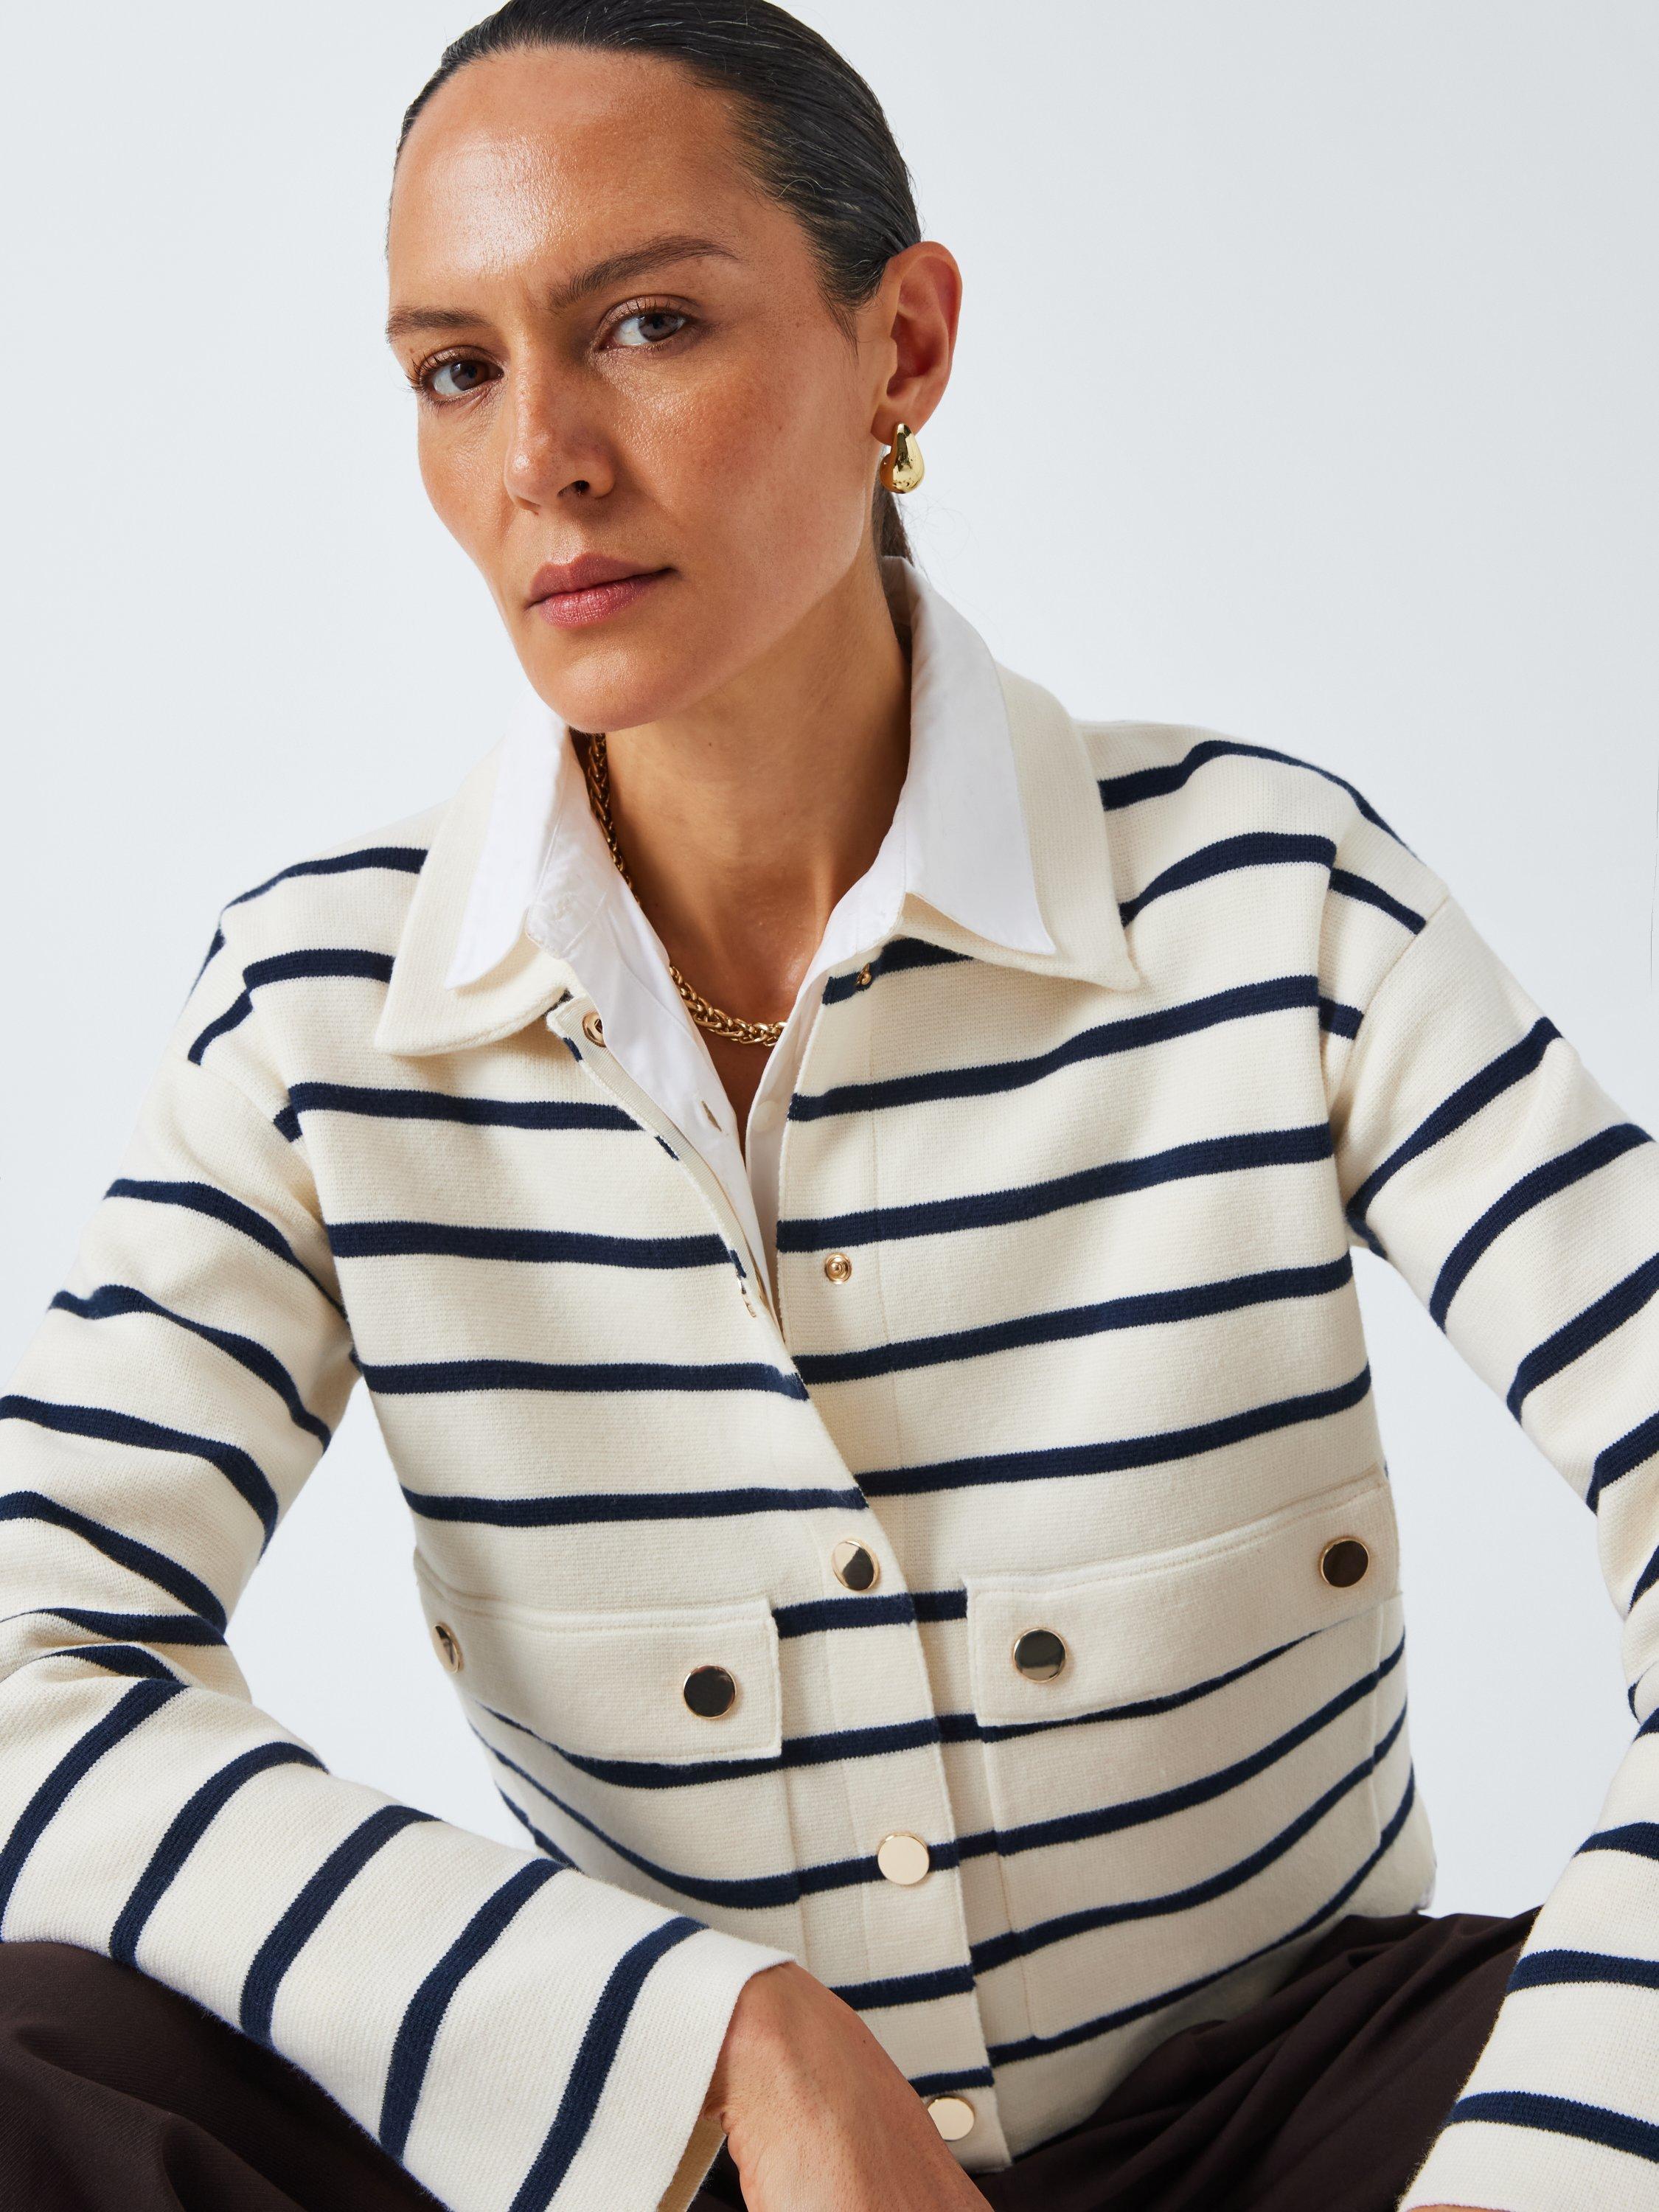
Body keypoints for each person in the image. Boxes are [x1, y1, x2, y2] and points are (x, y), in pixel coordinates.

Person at [0, 4, 1652, 2211]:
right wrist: (711, 2040)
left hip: (1305, 2135)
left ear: (905, 350)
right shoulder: (323, 1013)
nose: (543, 459)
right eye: (457, 369)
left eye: (648, 325)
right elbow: (29, 1657)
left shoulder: (1270, 896)